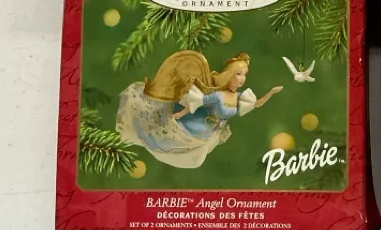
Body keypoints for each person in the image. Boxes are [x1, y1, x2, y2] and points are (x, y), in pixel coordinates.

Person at [116, 50, 282, 170]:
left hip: (207, 132)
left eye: (244, 74)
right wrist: (180, 114)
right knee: (170, 141)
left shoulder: (238, 97)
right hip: (194, 126)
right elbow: (196, 102)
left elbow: (257, 104)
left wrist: (271, 93)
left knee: (194, 156)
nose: (242, 79)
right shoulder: (218, 96)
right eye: (238, 74)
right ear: (229, 74)